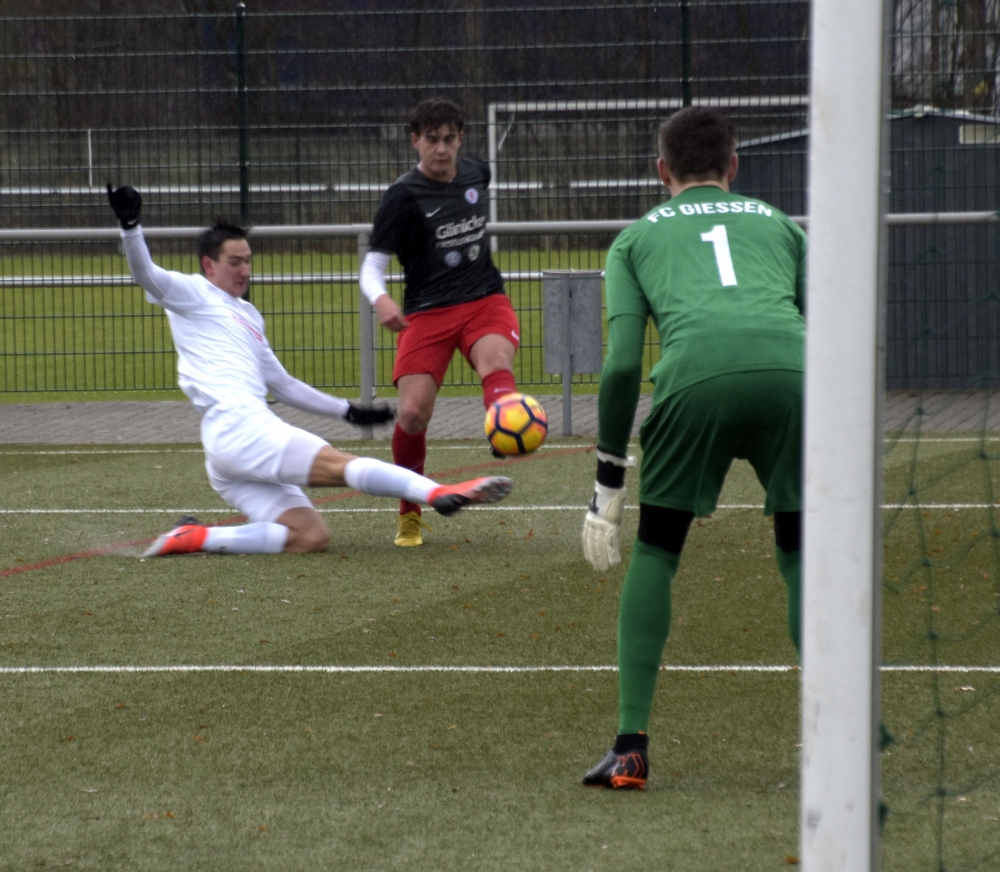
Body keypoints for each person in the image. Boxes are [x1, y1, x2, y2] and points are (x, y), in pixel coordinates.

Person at [579, 107, 806, 789]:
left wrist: (608, 480)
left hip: (693, 382)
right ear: (734, 167)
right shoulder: (784, 227)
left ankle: (629, 749)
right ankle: (841, 736)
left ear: (662, 171)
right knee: (802, 553)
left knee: (656, 549)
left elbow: (621, 367)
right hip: (796, 377)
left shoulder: (634, 239)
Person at [106, 183, 513, 558]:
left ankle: (196, 537)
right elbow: (147, 276)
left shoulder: (248, 315)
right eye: (235, 262)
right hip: (239, 426)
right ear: (208, 265)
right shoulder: (192, 292)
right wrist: (131, 227)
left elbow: (281, 384)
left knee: (311, 536)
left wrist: (347, 411)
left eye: (248, 261)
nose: (245, 270)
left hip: (227, 450)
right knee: (340, 465)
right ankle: (440, 492)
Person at [359, 98, 522, 548]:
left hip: (484, 299)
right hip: (427, 311)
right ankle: (410, 513)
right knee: (412, 413)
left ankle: (507, 427)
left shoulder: (476, 173)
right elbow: (371, 265)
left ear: (460, 139)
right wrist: (382, 300)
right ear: (415, 141)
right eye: (432, 140)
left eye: (449, 139)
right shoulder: (403, 197)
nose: (441, 149)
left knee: (495, 361)